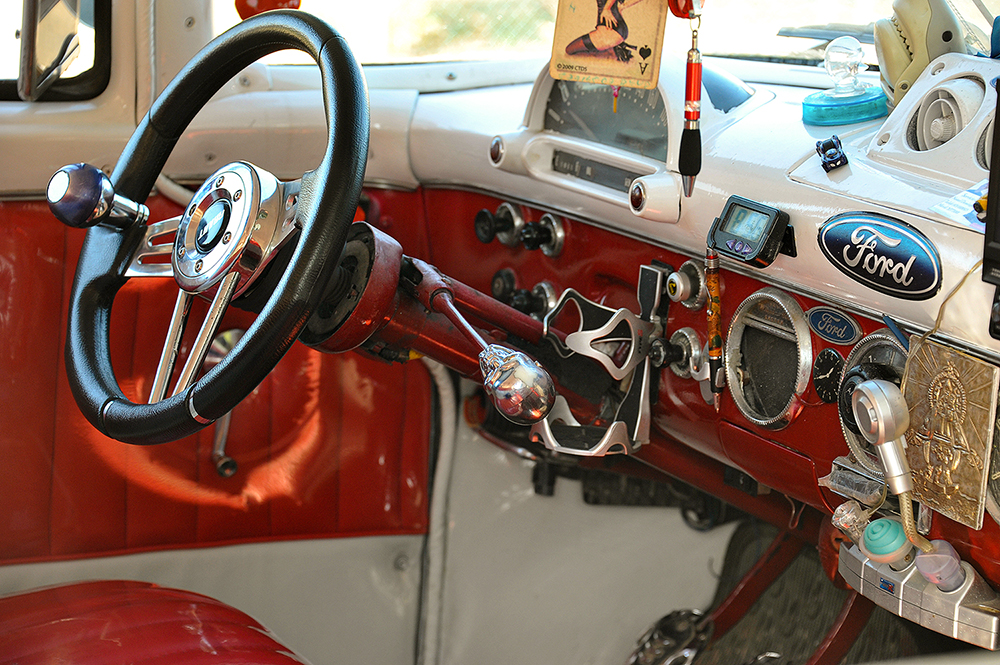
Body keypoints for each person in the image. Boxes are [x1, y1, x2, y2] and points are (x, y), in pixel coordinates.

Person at [564, 0, 646, 62]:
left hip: (609, 33)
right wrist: (622, 6)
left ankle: (615, 50)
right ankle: (615, 48)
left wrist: (607, 8)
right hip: (619, 30)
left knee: (569, 50)